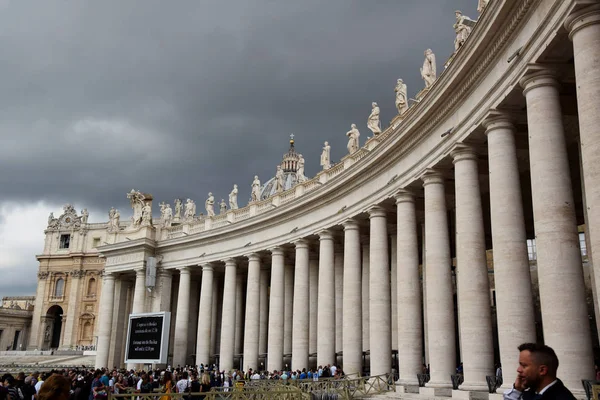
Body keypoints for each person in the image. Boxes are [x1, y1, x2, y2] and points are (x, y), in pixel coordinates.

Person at [503, 343, 577, 400]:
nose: (518, 370)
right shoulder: (531, 393)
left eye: (524, 366)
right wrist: (517, 390)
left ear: (542, 370)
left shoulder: (561, 397)